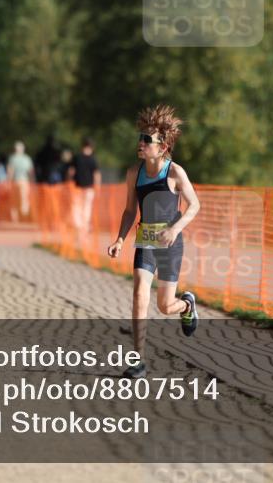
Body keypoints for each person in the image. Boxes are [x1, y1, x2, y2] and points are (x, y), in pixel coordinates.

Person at [107, 105, 201, 379]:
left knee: (164, 306)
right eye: (141, 137)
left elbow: (194, 205)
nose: (141, 142)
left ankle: (186, 305)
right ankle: (138, 360)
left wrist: (175, 229)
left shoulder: (175, 173)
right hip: (146, 241)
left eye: (148, 139)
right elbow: (129, 211)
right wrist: (120, 239)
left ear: (163, 147)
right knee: (138, 294)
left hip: (170, 245)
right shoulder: (133, 173)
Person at [70, 137, 101, 233]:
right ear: (91, 147)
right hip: (89, 187)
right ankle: (85, 226)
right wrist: (98, 186)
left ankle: (78, 225)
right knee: (87, 207)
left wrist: (69, 181)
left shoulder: (77, 157)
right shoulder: (93, 159)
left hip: (77, 186)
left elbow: (71, 171)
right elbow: (96, 174)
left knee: (76, 206)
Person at [7, 141, 34, 221]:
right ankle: (23, 217)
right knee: (24, 199)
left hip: (17, 182)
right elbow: (31, 172)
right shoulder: (27, 159)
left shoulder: (12, 158)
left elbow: (10, 172)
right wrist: (32, 181)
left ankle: (16, 218)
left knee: (15, 200)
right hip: (23, 182)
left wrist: (8, 181)